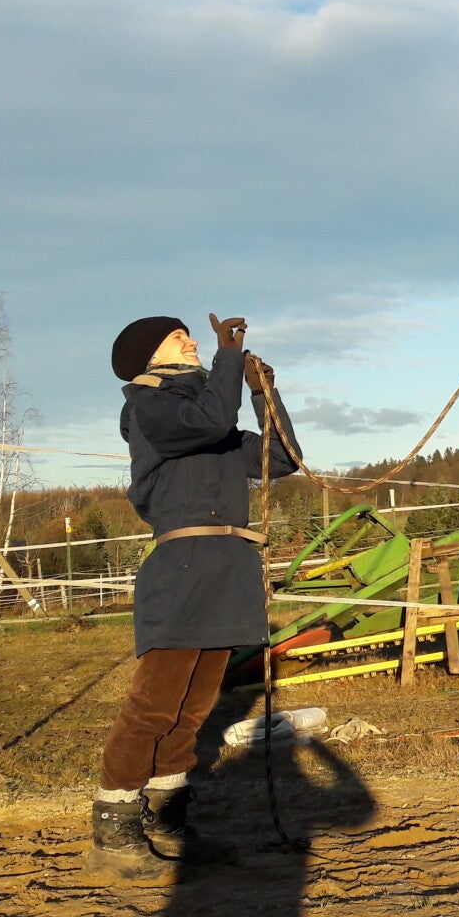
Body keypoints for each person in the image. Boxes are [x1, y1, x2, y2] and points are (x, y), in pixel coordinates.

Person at [87, 312, 304, 883]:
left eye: (189, 336)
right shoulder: (151, 408)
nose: (191, 342)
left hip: (227, 569)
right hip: (181, 570)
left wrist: (265, 394)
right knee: (154, 705)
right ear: (150, 358)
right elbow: (209, 420)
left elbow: (281, 460)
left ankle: (167, 822)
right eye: (177, 337)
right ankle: (113, 828)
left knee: (193, 709)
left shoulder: (212, 416)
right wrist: (227, 361)